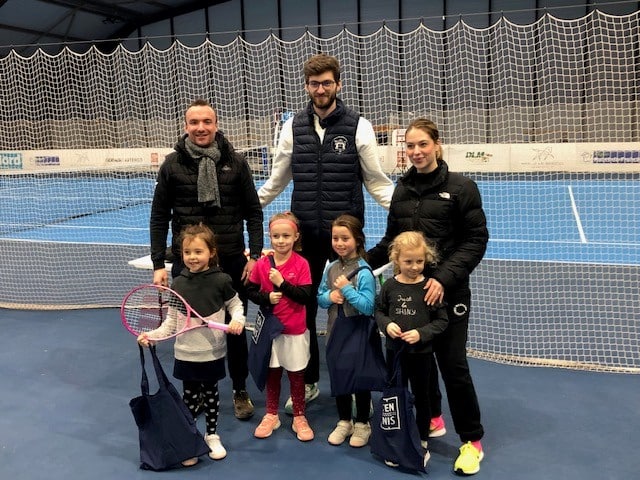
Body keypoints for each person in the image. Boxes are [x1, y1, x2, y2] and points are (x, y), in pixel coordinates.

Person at [258, 53, 395, 412]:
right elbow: (277, 179)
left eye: (327, 83)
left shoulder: (358, 126)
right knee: (303, 314)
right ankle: (312, 382)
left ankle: (354, 381)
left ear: (338, 84)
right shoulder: (292, 127)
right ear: (307, 86)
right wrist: (244, 205)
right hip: (308, 239)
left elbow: (377, 183)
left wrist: (411, 209)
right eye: (315, 83)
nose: (321, 89)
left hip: (345, 240)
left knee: (352, 310)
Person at [367, 118, 489, 475]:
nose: (416, 152)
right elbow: (391, 242)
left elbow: (475, 241)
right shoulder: (402, 190)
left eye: (422, 144)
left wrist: (445, 279)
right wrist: (355, 264)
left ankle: (471, 440)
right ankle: (432, 418)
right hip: (409, 296)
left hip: (449, 293)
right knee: (418, 365)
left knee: (453, 367)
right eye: (410, 146)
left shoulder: (462, 187)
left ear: (437, 144)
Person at [149, 98, 264, 420]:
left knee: (235, 327)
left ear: (216, 124)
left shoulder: (236, 163)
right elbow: (159, 216)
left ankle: (239, 388)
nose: (201, 128)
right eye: (194, 122)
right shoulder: (172, 164)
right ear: (186, 126)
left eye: (206, 122)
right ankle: (196, 391)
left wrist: (254, 256)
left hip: (230, 261)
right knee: (187, 329)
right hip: (187, 265)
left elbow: (253, 212)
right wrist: (159, 264)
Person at [138, 224, 246, 464]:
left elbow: (235, 305)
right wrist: (152, 336)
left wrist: (238, 320)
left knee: (211, 395)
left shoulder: (222, 280)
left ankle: (212, 435)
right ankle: (191, 438)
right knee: (189, 397)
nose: (192, 257)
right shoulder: (179, 285)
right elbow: (171, 323)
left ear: (212, 252)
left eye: (198, 252)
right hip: (186, 353)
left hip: (212, 352)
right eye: (188, 252)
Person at [374, 231, 449, 467]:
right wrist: (388, 325)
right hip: (395, 354)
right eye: (408, 261)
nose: (415, 266)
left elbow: (442, 321)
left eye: (419, 261)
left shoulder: (430, 288)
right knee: (396, 394)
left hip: (422, 355)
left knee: (422, 396)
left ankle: (422, 440)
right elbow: (379, 312)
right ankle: (397, 438)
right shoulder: (389, 287)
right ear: (397, 260)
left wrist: (421, 333)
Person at [246, 212, 315, 441]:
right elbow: (250, 291)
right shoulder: (263, 263)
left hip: (294, 330)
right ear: (270, 236)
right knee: (272, 373)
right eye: (276, 236)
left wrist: (282, 284)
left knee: (296, 375)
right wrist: (266, 298)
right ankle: (271, 414)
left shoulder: (302, 263)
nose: (281, 240)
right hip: (270, 330)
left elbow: (305, 296)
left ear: (296, 236)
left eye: (286, 235)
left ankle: (299, 415)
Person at [317, 214, 377, 448]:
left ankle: (362, 423)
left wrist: (347, 291)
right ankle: (344, 421)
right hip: (335, 332)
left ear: (358, 240)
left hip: (358, 333)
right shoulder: (331, 268)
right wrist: (330, 296)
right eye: (335, 238)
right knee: (339, 376)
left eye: (345, 238)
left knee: (359, 378)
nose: (340, 243)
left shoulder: (364, 271)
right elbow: (321, 298)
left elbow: (368, 306)